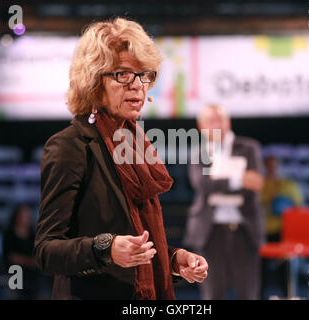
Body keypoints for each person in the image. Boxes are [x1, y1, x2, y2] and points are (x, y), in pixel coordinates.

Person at [34, 17, 208, 300]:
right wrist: (105, 248)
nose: (138, 86)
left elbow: (136, 239)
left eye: (145, 75)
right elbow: (46, 251)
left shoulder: (137, 146)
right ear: (93, 81)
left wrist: (174, 260)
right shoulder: (70, 146)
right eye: (124, 74)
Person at [184, 104, 265, 300]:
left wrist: (217, 181)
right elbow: (202, 184)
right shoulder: (198, 152)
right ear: (201, 126)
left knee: (248, 293)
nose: (216, 125)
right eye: (211, 121)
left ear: (228, 122)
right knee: (212, 294)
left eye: (220, 119)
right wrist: (237, 179)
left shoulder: (248, 147)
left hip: (244, 230)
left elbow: (254, 182)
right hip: (209, 232)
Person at [261, 155, 304, 242]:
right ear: (264, 166)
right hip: (263, 228)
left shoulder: (289, 185)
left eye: (274, 165)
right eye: (269, 165)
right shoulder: (260, 184)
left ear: (279, 166)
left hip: (284, 229)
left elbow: (299, 206)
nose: (272, 168)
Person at [3, 204, 40, 299]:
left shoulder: (34, 235)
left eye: (28, 216)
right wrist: (30, 261)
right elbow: (12, 257)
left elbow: (38, 257)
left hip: (33, 273)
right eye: (23, 216)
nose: (26, 219)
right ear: (16, 217)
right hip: (15, 271)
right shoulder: (9, 234)